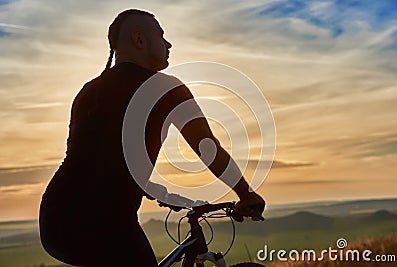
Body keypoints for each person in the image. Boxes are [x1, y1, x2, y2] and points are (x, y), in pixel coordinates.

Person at [39, 9, 265, 267]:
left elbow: (101, 158)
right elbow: (207, 148)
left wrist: (152, 188)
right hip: (105, 221)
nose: (168, 44)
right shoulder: (165, 88)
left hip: (55, 220)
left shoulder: (88, 91)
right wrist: (246, 194)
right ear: (139, 40)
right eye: (161, 36)